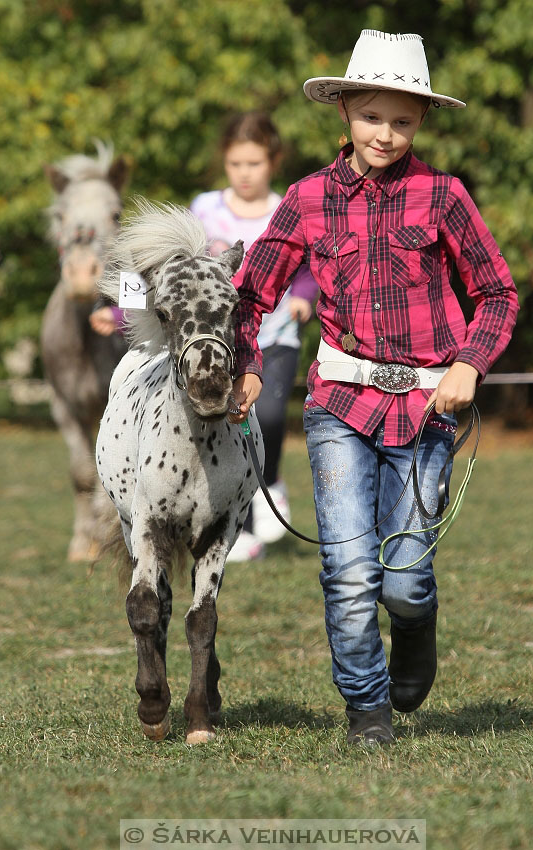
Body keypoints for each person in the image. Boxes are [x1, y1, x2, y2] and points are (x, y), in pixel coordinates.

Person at [228, 30, 519, 746]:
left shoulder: (443, 196)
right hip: (337, 405)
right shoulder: (304, 199)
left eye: (402, 119)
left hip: (427, 408)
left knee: (404, 580)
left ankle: (416, 627)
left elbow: (497, 294)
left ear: (419, 122)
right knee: (349, 569)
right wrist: (246, 361)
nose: (384, 133)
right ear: (344, 113)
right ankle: (366, 710)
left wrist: (468, 365)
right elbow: (249, 295)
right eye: (371, 116)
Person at [190, 111, 318, 562]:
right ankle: (240, 527)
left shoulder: (288, 206)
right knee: (231, 423)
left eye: (255, 163)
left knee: (269, 415)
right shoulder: (204, 208)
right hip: (219, 342)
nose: (245, 173)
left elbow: (307, 265)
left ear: (273, 161)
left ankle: (272, 479)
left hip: (276, 332)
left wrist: (303, 295)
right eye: (236, 164)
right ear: (224, 163)